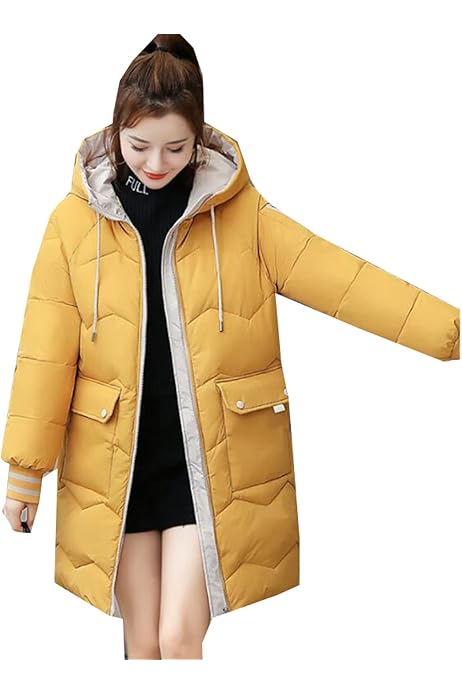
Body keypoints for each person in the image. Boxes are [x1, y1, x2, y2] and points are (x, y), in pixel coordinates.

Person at [1, 33, 460, 661]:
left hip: (208, 464)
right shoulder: (72, 224)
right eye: (138, 146)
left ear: (199, 137)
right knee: (142, 640)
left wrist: (450, 331)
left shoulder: (244, 216)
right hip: (117, 463)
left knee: (178, 636)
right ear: (115, 133)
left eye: (176, 147)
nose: (156, 163)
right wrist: (24, 474)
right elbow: (44, 350)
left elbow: (345, 281)